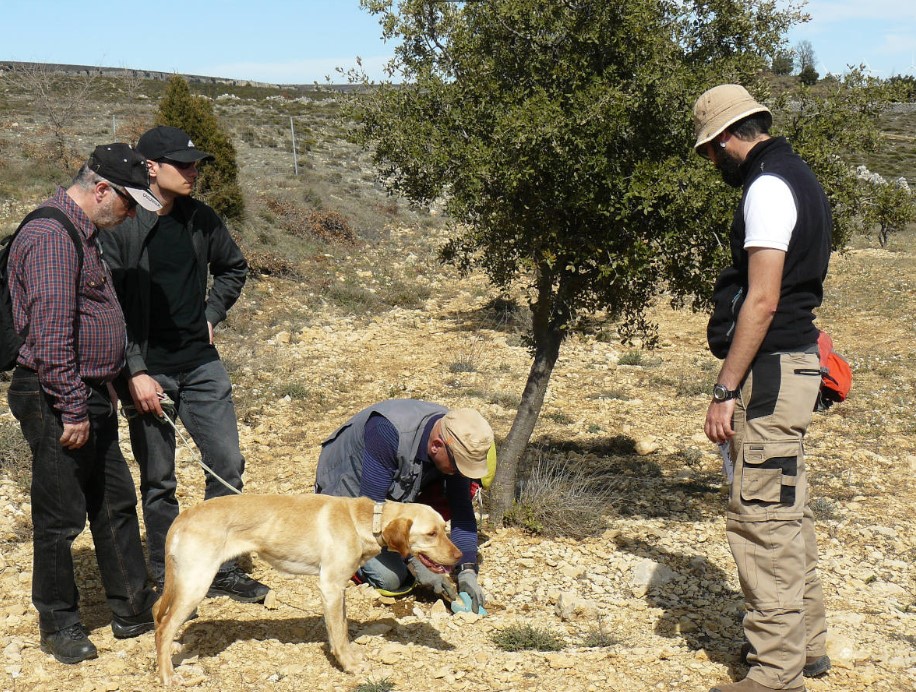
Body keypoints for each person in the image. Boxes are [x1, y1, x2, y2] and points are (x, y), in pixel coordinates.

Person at [692, 84, 833, 692]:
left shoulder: (767, 187)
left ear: (727, 139)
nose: (711, 164)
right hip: (793, 368)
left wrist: (725, 390)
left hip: (771, 374)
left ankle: (775, 675)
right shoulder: (798, 175)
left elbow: (765, 296)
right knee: (787, 512)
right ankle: (809, 649)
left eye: (708, 153)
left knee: (762, 521)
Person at [6, 144, 164, 664]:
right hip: (56, 394)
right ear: (101, 190)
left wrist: (106, 380)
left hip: (88, 390)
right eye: (129, 203)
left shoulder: (83, 232)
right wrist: (72, 406)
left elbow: (90, 316)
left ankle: (132, 608)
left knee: (114, 500)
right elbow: (52, 334)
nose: (133, 213)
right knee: (61, 514)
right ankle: (59, 622)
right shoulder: (52, 236)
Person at [100, 126, 269, 603]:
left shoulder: (201, 218)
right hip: (147, 371)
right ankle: (167, 573)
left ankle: (222, 567)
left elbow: (234, 267)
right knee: (159, 480)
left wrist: (212, 314)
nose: (194, 171)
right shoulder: (123, 223)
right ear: (151, 167)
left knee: (227, 465)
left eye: (196, 163)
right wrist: (133, 370)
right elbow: (109, 305)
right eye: (183, 164)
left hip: (200, 364)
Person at [315, 399, 493, 613]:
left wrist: (467, 572)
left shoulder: (455, 438)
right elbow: (373, 511)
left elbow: (461, 509)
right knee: (391, 579)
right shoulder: (387, 433)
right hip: (351, 494)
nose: (460, 471)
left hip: (394, 490)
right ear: (437, 446)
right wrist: (415, 563)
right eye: (458, 465)